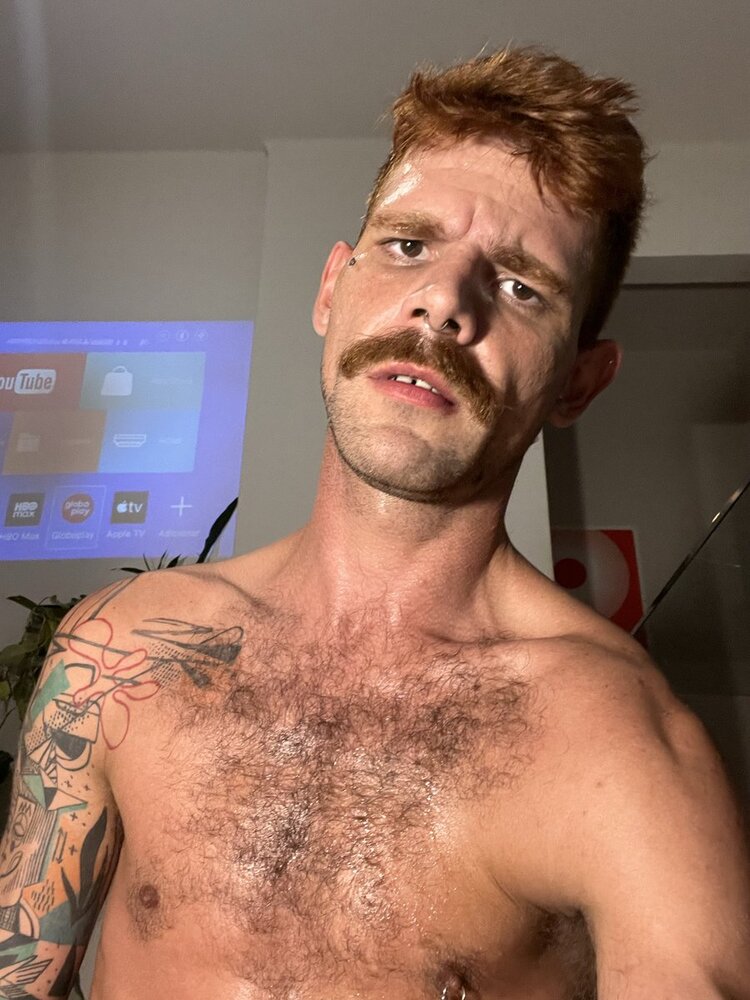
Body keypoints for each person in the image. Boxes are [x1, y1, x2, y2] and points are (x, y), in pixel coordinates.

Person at [1, 45, 748, 1000]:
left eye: (521, 287)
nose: (444, 303)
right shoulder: (120, 651)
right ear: (331, 289)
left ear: (579, 382)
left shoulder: (626, 751)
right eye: (408, 245)